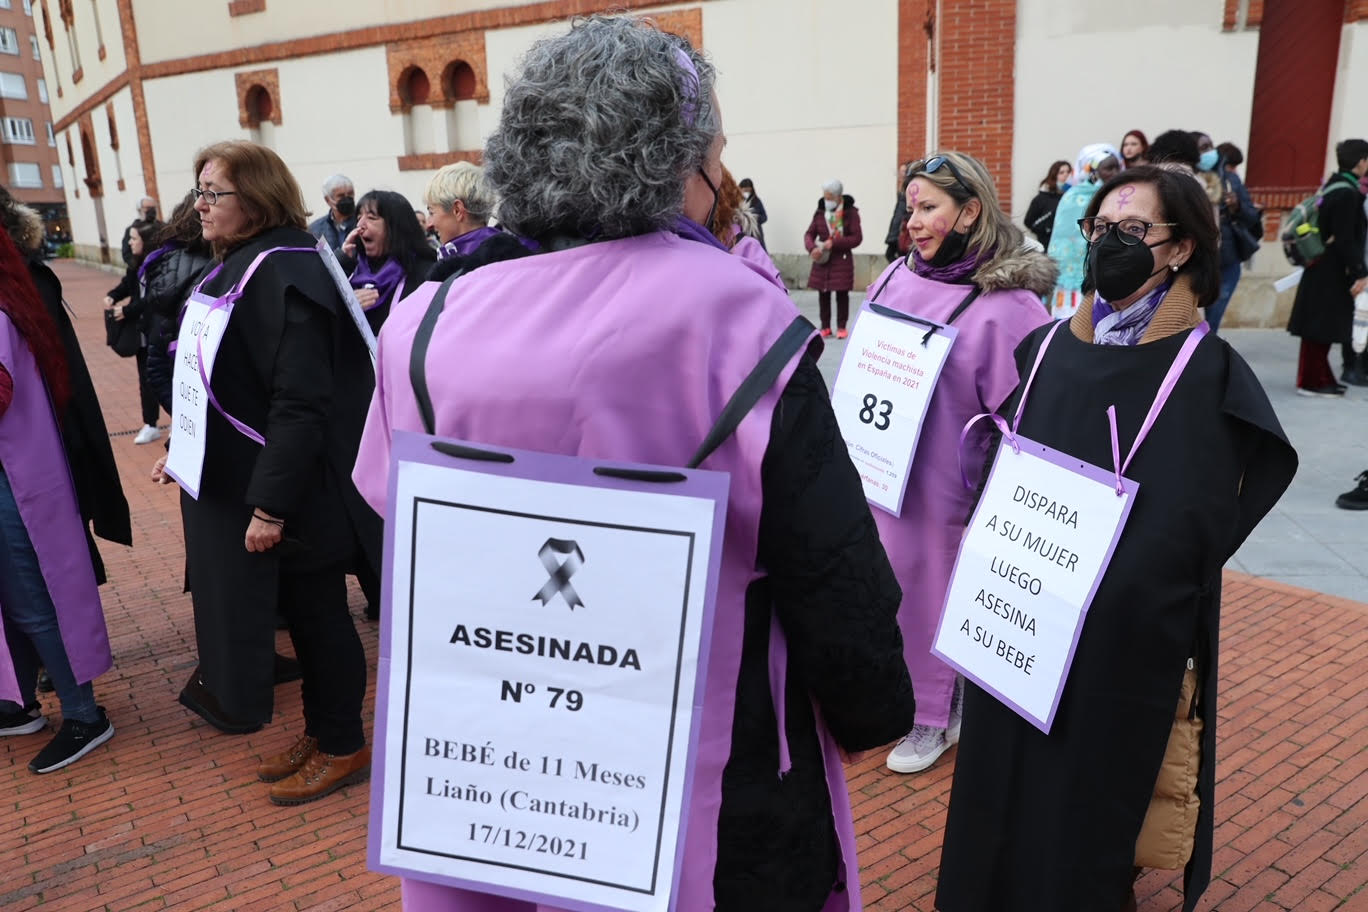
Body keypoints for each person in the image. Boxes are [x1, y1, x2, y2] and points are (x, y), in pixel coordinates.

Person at [352, 16, 916, 911]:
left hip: (489, 763)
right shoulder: (734, 318)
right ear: (668, 163)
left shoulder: (423, 321)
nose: (722, 179)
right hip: (704, 756)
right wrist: (877, 711)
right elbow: (830, 564)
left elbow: (394, 517)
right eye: (713, 155)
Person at [936, 165, 1297, 912]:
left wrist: (1125, 586)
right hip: (1023, 614)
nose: (1111, 244)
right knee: (1000, 766)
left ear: (1181, 249)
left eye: (1134, 231)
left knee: (1084, 787)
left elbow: (1204, 517)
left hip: (1117, 633)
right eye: (1099, 229)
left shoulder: (1206, 373)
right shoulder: (1043, 351)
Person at [151, 140, 375, 804]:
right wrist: (187, 448)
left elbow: (300, 402)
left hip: (301, 489)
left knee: (321, 617)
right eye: (200, 192)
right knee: (305, 618)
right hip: (265, 477)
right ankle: (322, 731)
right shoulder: (247, 264)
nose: (201, 205)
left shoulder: (288, 270)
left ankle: (342, 745)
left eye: (214, 192)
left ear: (257, 197)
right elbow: (226, 384)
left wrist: (271, 506)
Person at [871, 151, 1053, 775]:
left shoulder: (1010, 305)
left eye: (929, 208)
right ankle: (901, 696)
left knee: (934, 591)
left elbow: (1034, 411)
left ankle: (935, 715)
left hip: (952, 485)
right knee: (888, 587)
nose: (914, 221)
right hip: (883, 469)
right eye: (911, 207)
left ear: (971, 211)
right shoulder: (894, 276)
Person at [0, 216, 120, 774]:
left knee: (31, 592)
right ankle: (20, 701)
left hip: (18, 475)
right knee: (15, 595)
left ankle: (83, 713)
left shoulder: (10, 303)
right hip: (15, 470)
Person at [1288, 139, 1368, 397]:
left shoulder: (1334, 185)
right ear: (1361, 162)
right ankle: (1311, 381)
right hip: (1331, 269)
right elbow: (1345, 237)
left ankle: (1319, 376)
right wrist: (1359, 270)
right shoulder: (1347, 193)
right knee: (1320, 327)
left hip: (1323, 265)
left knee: (1319, 326)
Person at [141, 192, 215, 414]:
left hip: (185, 393)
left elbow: (156, 365)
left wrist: (184, 417)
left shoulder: (165, 263)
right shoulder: (214, 266)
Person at [338, 190, 437, 334]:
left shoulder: (426, 275)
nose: (360, 225)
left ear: (396, 226)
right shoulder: (351, 271)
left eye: (371, 218)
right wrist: (341, 260)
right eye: (358, 217)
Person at [105, 221, 165, 445]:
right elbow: (126, 286)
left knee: (165, 379)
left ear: (146, 241)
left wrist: (128, 310)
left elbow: (152, 299)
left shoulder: (160, 264)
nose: (129, 243)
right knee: (145, 379)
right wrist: (112, 295)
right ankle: (150, 424)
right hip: (141, 334)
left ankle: (177, 424)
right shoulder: (135, 265)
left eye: (134, 238)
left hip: (159, 333)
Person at [1045, 143, 1121, 320]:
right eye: (1109, 168)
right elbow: (1062, 240)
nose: (1116, 172)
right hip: (1075, 278)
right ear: (1092, 170)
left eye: (1117, 166)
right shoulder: (1073, 197)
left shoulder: (1120, 196)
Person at [1209, 142, 1261, 333]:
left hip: (1226, 259)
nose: (1234, 171)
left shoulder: (1232, 182)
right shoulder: (1196, 179)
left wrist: (1236, 206)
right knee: (1205, 321)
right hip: (1208, 262)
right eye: (1233, 166)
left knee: (1210, 321)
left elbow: (1250, 217)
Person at [805, 178, 863, 339]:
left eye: (830, 197)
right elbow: (809, 234)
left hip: (841, 259)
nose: (827, 200)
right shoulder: (820, 212)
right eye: (825, 196)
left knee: (842, 294)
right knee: (823, 294)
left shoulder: (850, 213)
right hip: (822, 259)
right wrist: (812, 248)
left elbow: (857, 238)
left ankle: (842, 327)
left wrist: (835, 243)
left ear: (838, 196)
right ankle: (825, 327)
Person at [424, 161, 500, 261]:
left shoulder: (463, 267)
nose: (429, 224)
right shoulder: (507, 251)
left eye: (431, 212)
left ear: (457, 210)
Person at [1024, 159, 1072, 247]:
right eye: (1061, 172)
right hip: (1047, 246)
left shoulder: (1074, 198)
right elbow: (1028, 221)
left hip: (1069, 245)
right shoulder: (1041, 199)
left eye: (1068, 172)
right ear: (1054, 176)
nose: (1066, 175)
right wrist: (1047, 230)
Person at [307, 174, 357, 257]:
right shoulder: (315, 230)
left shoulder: (363, 223)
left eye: (350, 194)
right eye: (341, 196)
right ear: (328, 200)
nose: (347, 198)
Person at [121, 196, 158, 267]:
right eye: (148, 208)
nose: (151, 211)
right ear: (139, 210)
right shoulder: (131, 229)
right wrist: (136, 263)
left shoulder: (162, 226)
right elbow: (126, 253)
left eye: (153, 208)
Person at [738, 176, 767, 249]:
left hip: (756, 233)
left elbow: (764, 217)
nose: (746, 192)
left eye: (748, 190)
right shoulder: (736, 202)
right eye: (744, 190)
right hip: (742, 234)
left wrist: (755, 218)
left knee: (759, 253)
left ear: (751, 189)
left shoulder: (756, 201)